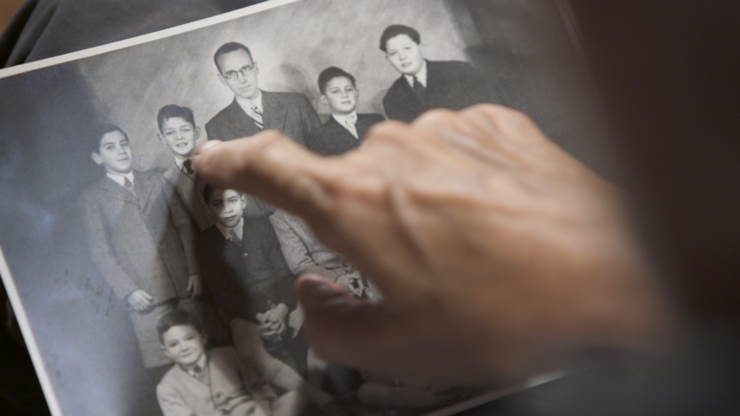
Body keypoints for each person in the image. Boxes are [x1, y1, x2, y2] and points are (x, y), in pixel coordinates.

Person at [80, 124, 220, 369]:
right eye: (110, 147)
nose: (121, 151)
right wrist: (128, 290)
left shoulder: (154, 179)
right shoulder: (93, 198)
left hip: (186, 284)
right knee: (165, 364)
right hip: (146, 296)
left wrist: (195, 270)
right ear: (97, 157)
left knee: (212, 350)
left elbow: (184, 225)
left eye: (124, 144)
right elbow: (101, 252)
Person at [156, 309, 294, 416]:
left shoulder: (227, 354)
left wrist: (261, 410)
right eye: (174, 344)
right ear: (165, 351)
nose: (184, 347)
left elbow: (258, 387)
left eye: (189, 338)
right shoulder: (167, 387)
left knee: (299, 396)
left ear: (203, 337)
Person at [205, 42, 321, 146]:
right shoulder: (217, 127)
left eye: (245, 69)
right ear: (222, 80)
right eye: (231, 74)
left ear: (256, 68)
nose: (242, 80)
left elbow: (324, 153)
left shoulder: (296, 104)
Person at [379, 24, 495, 123]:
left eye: (407, 48)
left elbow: (493, 113)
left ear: (421, 48)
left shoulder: (459, 70)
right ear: (388, 59)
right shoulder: (391, 98)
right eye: (394, 53)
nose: (402, 57)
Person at [269, 209, 375, 300]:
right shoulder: (281, 218)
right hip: (329, 279)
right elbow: (300, 265)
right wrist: (336, 280)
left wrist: (360, 271)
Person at [156, 104, 215, 232]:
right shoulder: (164, 181)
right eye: (171, 133)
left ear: (196, 132)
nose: (179, 137)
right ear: (162, 138)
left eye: (185, 130)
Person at [305, 67, 385, 156]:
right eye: (335, 91)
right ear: (325, 99)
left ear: (356, 94)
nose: (344, 95)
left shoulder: (376, 121)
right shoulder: (318, 136)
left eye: (349, 89)